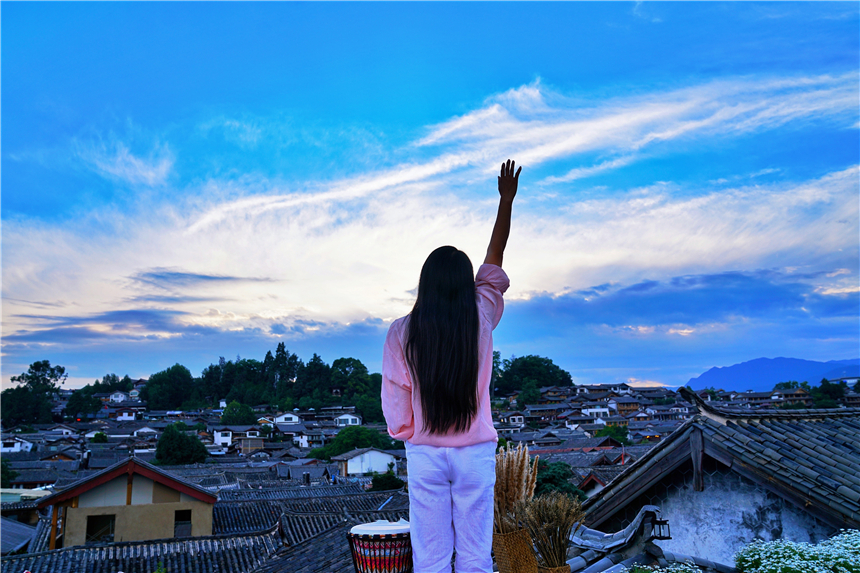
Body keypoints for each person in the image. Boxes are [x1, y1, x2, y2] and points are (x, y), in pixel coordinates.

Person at [381, 159, 521, 573]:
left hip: (425, 453)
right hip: (475, 452)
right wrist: (506, 201)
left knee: (431, 557)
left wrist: (412, 434)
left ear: (424, 283)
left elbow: (396, 398)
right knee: (477, 555)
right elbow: (495, 260)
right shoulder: (481, 315)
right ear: (466, 284)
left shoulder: (402, 331)